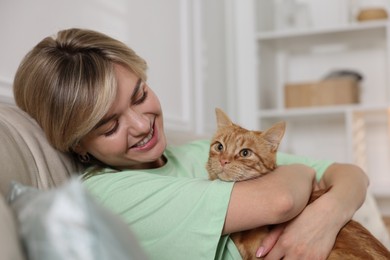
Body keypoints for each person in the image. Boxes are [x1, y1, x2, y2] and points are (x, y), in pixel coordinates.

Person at [13, 28, 369, 260]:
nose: (141, 124)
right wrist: (306, 173)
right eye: (109, 125)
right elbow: (281, 199)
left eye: (140, 96)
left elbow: (351, 175)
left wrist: (325, 215)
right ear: (77, 145)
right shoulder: (107, 196)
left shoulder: (201, 151)